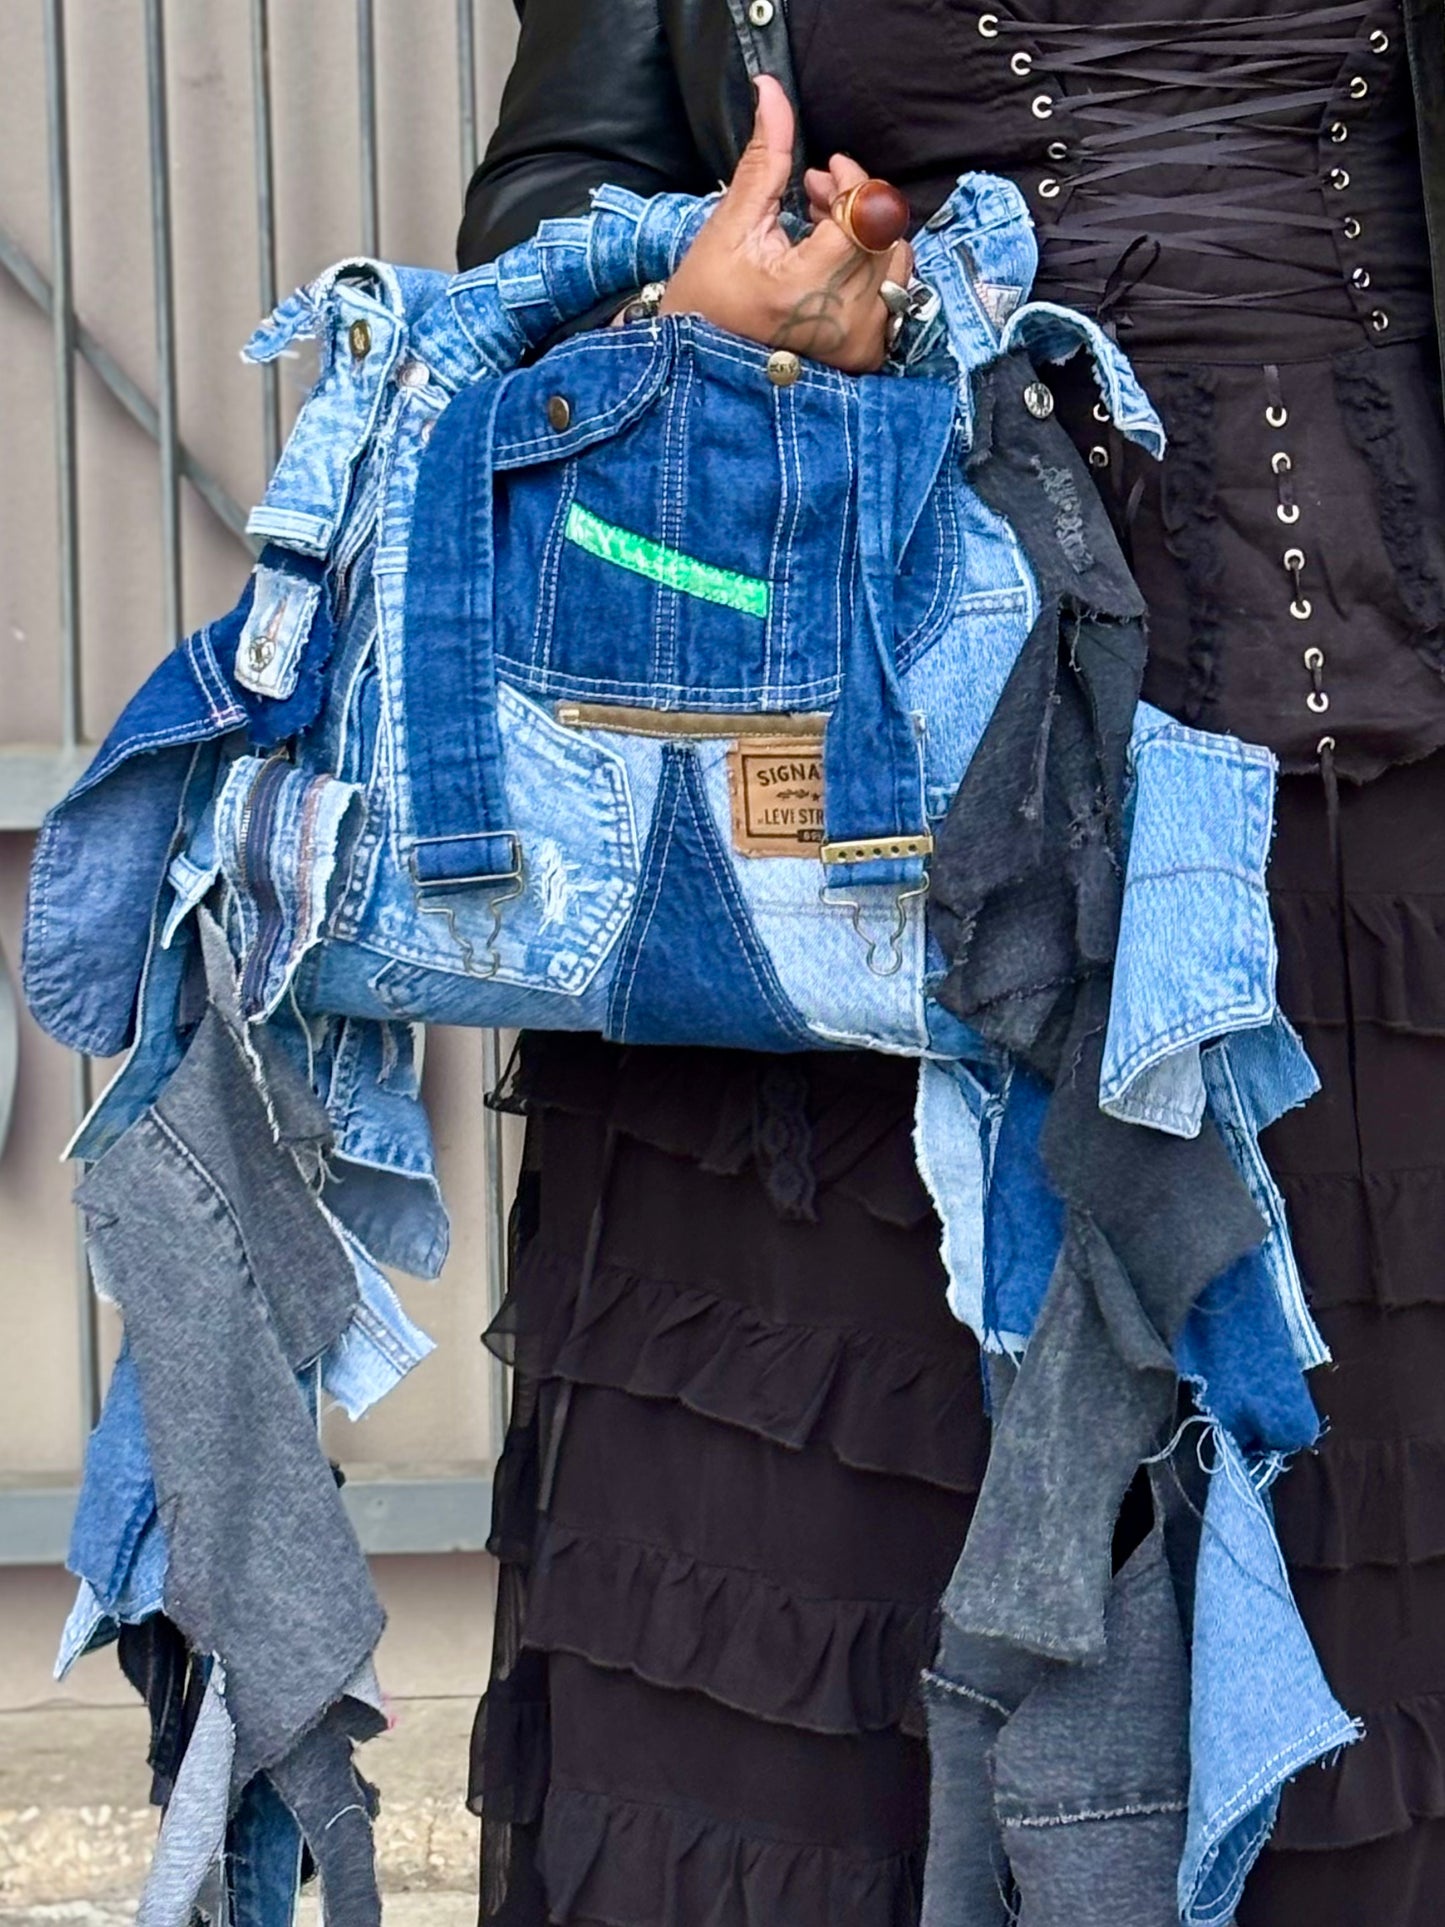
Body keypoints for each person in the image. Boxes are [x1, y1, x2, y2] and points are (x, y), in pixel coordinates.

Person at [461, 4, 1445, 1922]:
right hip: (858, 813)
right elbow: (548, 208)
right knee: (832, 1643)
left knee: (1362, 1585)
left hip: (1376, 799)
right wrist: (708, 291)